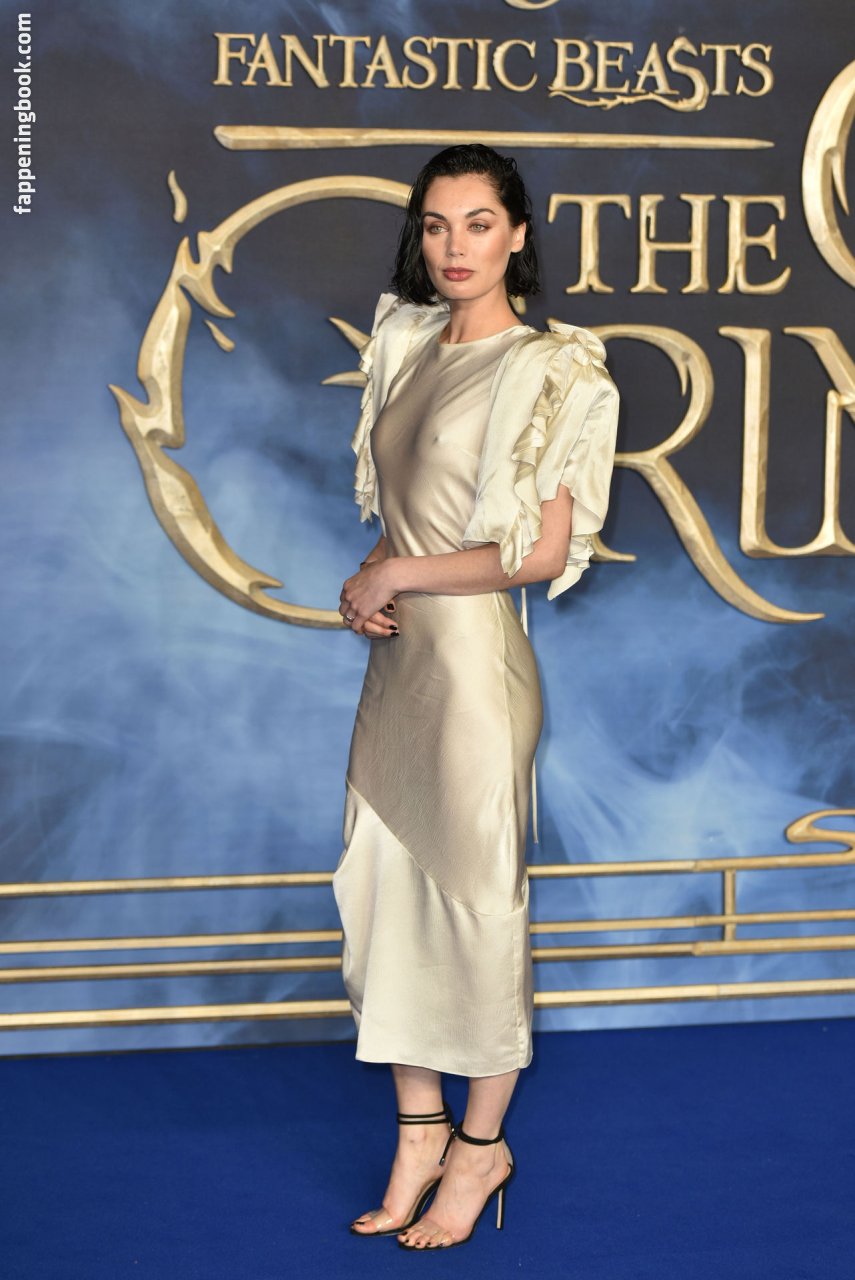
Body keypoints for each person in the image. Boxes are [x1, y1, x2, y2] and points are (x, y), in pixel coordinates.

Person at [334, 144, 620, 1251]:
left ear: (517, 235)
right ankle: (420, 1131)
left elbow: (535, 554)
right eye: (437, 224)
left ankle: (482, 1147)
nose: (455, 246)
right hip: (400, 670)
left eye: (479, 223)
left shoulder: (553, 370)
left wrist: (399, 573)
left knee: (479, 906)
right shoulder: (405, 345)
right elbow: (407, 517)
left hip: (475, 678)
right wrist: (371, 578)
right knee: (386, 890)